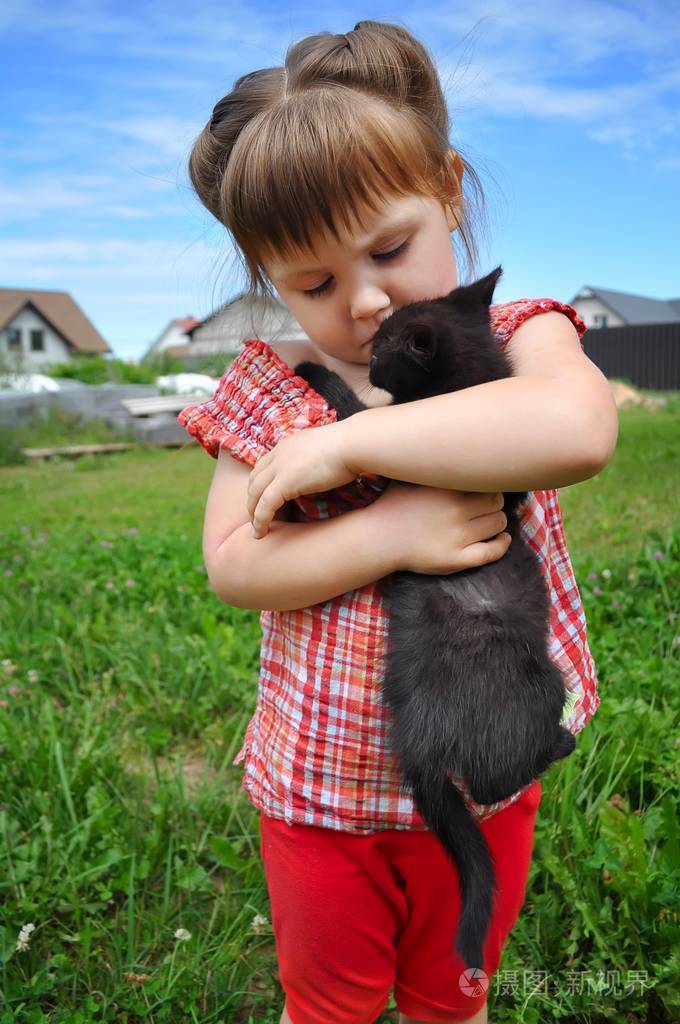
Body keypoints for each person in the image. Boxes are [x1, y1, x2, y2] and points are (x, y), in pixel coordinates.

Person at [177, 20, 619, 1024]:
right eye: (314, 283)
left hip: (482, 782)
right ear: (267, 276)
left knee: (451, 998)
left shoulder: (513, 339)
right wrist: (389, 533)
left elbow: (579, 429)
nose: (367, 299)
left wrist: (353, 446)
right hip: (321, 795)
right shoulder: (269, 390)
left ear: (448, 191)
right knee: (326, 1006)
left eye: (388, 248)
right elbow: (234, 562)